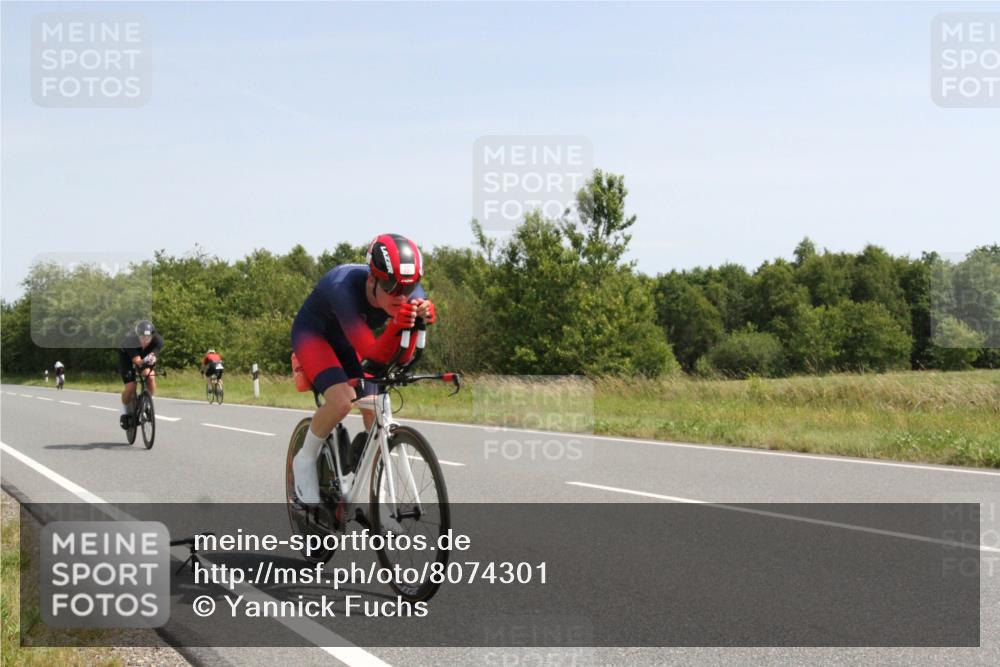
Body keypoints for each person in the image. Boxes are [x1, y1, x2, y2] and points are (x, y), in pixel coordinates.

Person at [291, 234, 436, 504]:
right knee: (342, 402)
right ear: (372, 280)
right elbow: (372, 352)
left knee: (375, 406)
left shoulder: (411, 296)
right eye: (391, 286)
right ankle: (305, 459)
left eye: (409, 286)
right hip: (315, 336)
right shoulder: (342, 287)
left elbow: (401, 358)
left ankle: (375, 495)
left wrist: (417, 326)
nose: (401, 295)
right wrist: (397, 325)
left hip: (349, 341)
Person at [118, 320, 163, 428]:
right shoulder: (130, 341)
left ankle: (148, 404)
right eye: (142, 337)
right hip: (128, 360)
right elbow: (137, 361)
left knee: (150, 377)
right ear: (137, 336)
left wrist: (152, 358)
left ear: (152, 336)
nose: (145, 340)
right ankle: (126, 411)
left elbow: (153, 356)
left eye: (148, 338)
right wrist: (146, 360)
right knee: (131, 388)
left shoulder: (157, 340)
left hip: (145, 358)